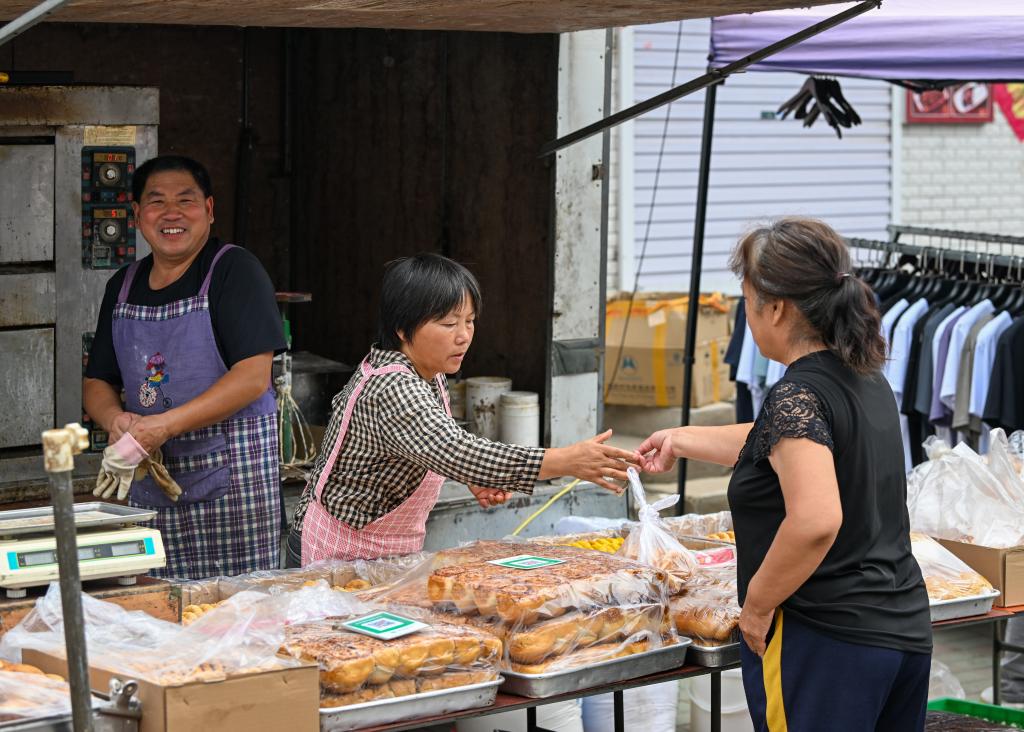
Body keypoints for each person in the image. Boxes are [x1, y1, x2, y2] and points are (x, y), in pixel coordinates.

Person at [638, 218, 933, 732]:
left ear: (775, 307)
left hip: (824, 641)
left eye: (746, 299)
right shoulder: (864, 376)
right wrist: (682, 439)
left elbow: (816, 518)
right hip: (900, 632)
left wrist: (756, 605)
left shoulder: (797, 394)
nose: (745, 314)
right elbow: (782, 443)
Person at [288, 253, 636, 567]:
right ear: (402, 328)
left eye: (469, 321)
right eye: (448, 323)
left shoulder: (427, 371)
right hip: (338, 552)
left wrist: (472, 475)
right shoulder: (393, 387)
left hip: (382, 553)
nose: (464, 335)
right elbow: (456, 450)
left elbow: (436, 442)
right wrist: (567, 461)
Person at [84, 155, 286, 579]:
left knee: (239, 615)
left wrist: (167, 424)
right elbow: (98, 381)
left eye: (186, 200)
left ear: (209, 210)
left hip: (235, 485)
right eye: (156, 202)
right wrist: (115, 419)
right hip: (154, 484)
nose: (171, 213)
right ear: (137, 215)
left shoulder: (234, 271)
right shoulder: (121, 287)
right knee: (162, 609)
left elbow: (253, 377)